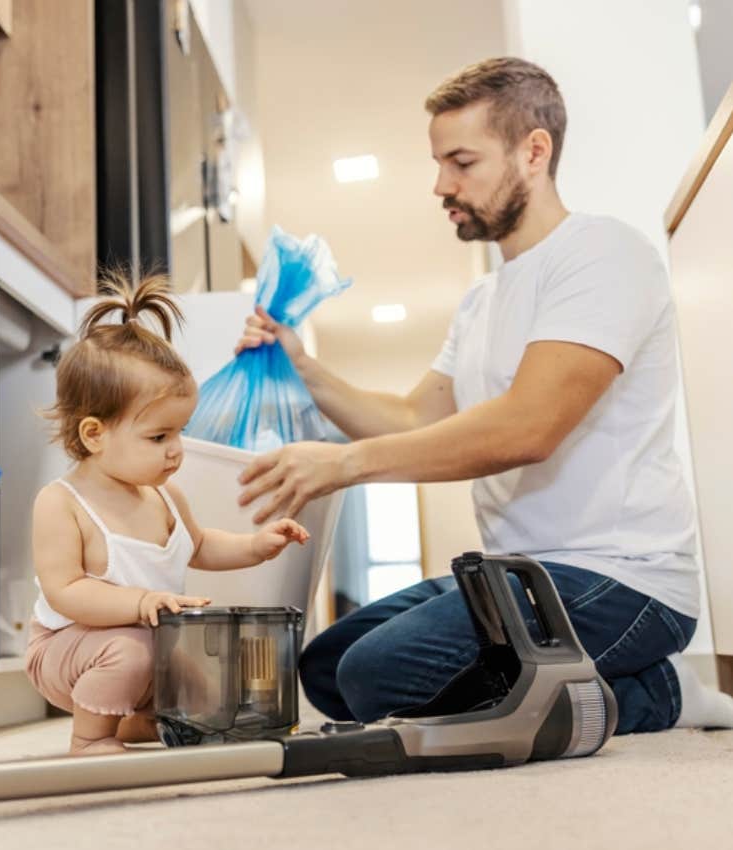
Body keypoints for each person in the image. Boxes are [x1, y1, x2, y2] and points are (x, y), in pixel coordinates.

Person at [236, 57, 733, 734]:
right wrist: (304, 367)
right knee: (328, 667)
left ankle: (665, 694)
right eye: (440, 163)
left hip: (621, 580)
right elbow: (413, 415)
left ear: (534, 151)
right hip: (517, 577)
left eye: (461, 161)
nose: (442, 184)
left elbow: (528, 426)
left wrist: (346, 465)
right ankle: (610, 680)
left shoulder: (604, 255)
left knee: (375, 675)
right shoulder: (483, 300)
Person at [26, 272, 309, 756]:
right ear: (94, 434)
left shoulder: (166, 496)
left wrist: (257, 546)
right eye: (159, 438)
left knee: (201, 676)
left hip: (144, 644)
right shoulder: (62, 502)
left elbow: (199, 545)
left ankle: (139, 724)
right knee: (131, 653)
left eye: (179, 434)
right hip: (66, 649)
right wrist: (140, 604)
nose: (176, 451)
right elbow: (66, 591)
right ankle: (90, 738)